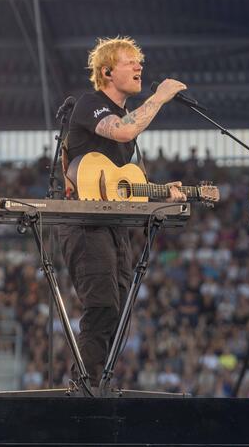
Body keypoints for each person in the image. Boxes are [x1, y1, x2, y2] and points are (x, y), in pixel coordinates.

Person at [59, 36, 187, 387]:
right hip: (84, 223)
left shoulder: (127, 130)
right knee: (102, 306)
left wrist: (164, 194)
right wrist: (159, 97)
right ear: (106, 71)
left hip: (113, 224)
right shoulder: (90, 104)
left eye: (139, 61)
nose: (138, 66)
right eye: (130, 60)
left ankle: (99, 384)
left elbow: (124, 184)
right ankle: (83, 387)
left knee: (120, 311)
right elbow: (123, 129)